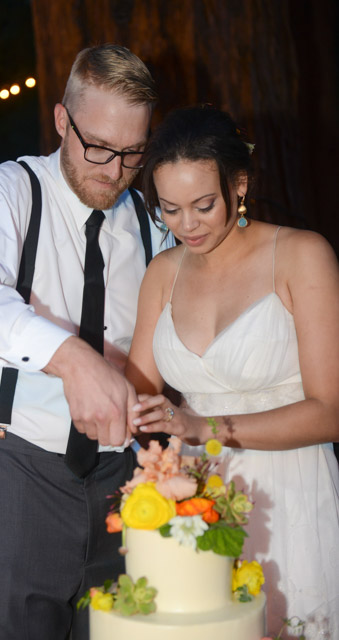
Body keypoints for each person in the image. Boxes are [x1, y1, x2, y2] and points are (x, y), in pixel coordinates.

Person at [0, 44, 173, 640]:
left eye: (132, 154)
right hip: (14, 478)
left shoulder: (147, 221)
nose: (114, 171)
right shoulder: (7, 190)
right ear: (62, 121)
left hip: (127, 484)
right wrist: (72, 361)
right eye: (98, 148)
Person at [125, 105, 339, 639]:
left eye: (203, 205)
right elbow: (139, 394)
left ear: (239, 184)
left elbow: (331, 411)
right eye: (169, 210)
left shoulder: (301, 254)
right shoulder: (162, 273)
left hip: (290, 489)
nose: (186, 226)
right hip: (196, 494)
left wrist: (205, 428)